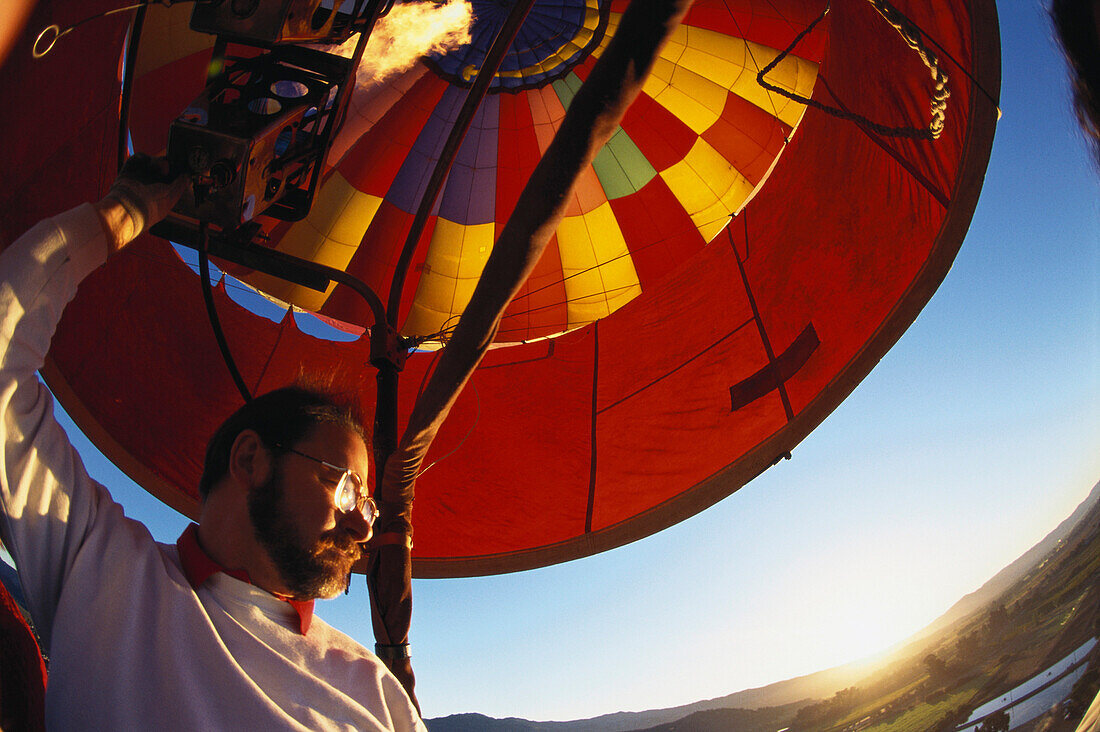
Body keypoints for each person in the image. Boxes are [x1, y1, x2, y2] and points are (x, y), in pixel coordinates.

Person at [0, 155, 426, 730]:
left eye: (368, 505)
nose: (364, 527)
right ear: (250, 458)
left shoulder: (375, 695)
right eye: (346, 487)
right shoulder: (103, 570)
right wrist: (121, 215)